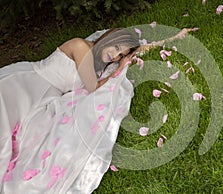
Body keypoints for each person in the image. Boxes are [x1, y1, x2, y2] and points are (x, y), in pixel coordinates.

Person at [0, 28, 140, 193]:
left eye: (121, 56)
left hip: (45, 96)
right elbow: (93, 87)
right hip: (25, 85)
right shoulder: (80, 46)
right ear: (108, 39)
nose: (116, 57)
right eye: (116, 49)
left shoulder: (98, 61)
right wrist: (119, 68)